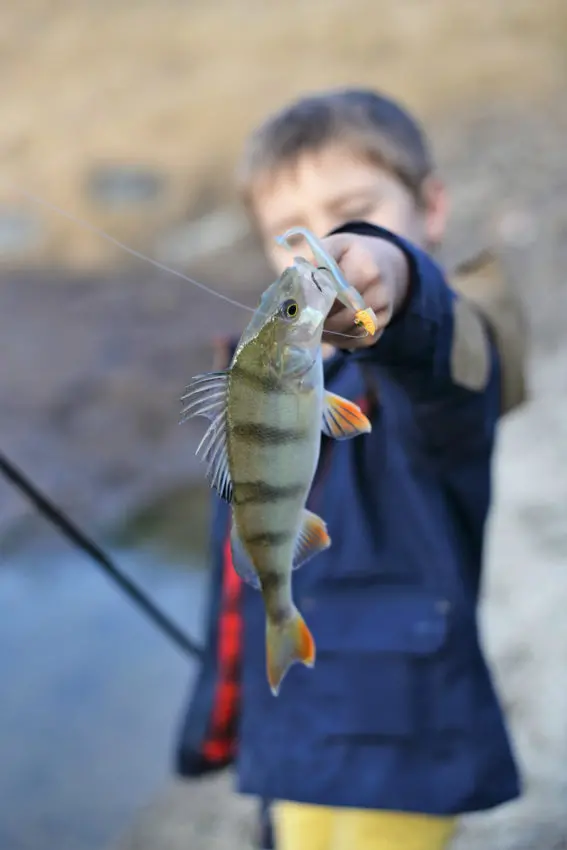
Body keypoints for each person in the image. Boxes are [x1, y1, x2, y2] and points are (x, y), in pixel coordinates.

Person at [174, 88, 527, 850]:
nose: (320, 251)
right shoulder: (265, 372)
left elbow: (437, 336)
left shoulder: (449, 360)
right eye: (287, 235)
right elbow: (242, 554)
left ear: (429, 208)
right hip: (290, 730)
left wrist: (393, 273)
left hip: (402, 743)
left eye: (354, 209)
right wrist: (223, 708)